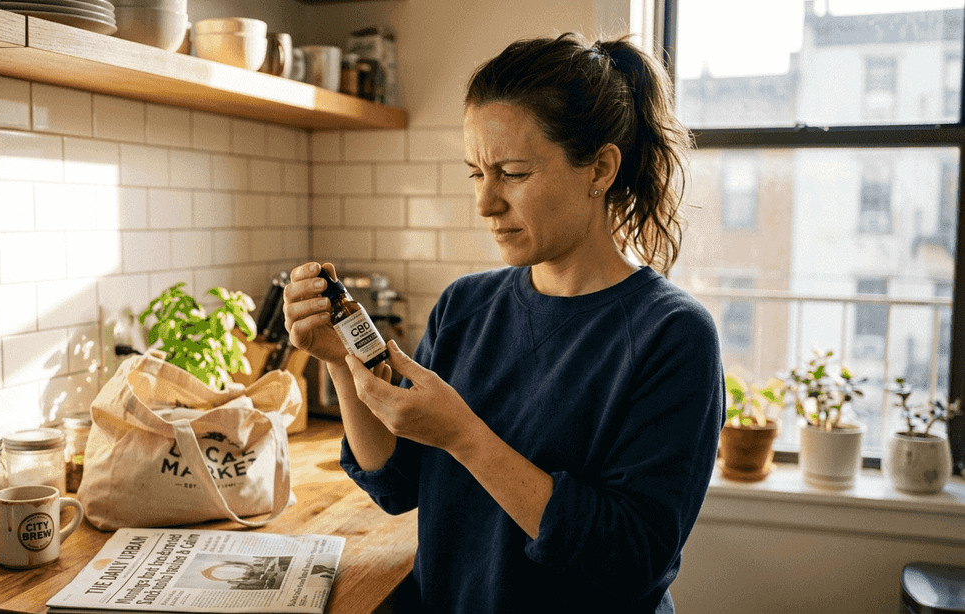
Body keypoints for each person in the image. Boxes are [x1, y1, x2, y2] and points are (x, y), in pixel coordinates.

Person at [283, 32, 724, 614]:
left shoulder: (673, 335)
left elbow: (628, 562)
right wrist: (341, 361)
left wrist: (464, 436)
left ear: (600, 169)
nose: (486, 203)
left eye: (513, 173)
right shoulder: (465, 307)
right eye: (476, 173)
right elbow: (396, 484)